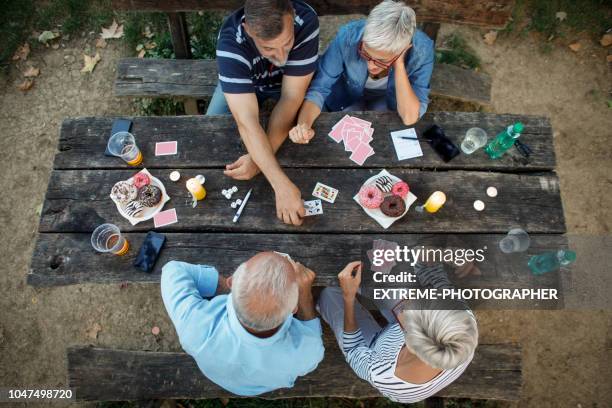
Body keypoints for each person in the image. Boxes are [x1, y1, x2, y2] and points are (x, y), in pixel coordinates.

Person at [207, 0, 320, 226]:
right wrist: (280, 184)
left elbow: (291, 98)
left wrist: (260, 161)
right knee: (209, 128)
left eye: (287, 43)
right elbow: (247, 121)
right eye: (268, 48)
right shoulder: (230, 43)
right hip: (248, 85)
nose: (282, 57)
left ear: (293, 15)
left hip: (289, 86)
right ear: (248, 29)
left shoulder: (306, 20)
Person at [160, 252, 324, 396]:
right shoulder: (307, 354)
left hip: (219, 375)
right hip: (262, 384)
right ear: (293, 309)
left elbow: (171, 269)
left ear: (231, 282)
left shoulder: (194, 326)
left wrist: (221, 285)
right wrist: (305, 297)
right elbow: (312, 334)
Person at [318, 261, 478, 403]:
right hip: (417, 339)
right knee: (384, 268)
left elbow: (353, 348)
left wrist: (348, 296)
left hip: (376, 346)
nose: (406, 299)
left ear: (408, 342)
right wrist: (436, 254)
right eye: (424, 297)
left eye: (406, 312)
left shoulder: (381, 373)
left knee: (329, 294)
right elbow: (434, 275)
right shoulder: (460, 318)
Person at [289, 0, 434, 144]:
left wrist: (399, 65)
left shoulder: (422, 50)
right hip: (348, 97)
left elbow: (409, 117)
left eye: (381, 61)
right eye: (365, 53)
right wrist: (304, 125)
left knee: (380, 134)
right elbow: (320, 88)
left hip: (386, 102)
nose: (371, 66)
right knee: (346, 130)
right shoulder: (348, 36)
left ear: (403, 50)